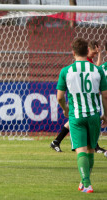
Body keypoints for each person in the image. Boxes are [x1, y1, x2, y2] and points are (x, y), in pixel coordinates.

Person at [56, 38, 107, 193]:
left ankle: (87, 183)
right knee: (91, 149)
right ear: (87, 52)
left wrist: (65, 109)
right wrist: (105, 115)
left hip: (76, 116)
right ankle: (83, 181)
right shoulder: (97, 70)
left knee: (81, 150)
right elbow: (105, 95)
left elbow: (59, 97)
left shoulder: (66, 71)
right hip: (93, 116)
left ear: (73, 52)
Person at [51, 40, 106, 153]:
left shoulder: (86, 61)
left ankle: (57, 141)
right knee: (85, 118)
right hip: (83, 99)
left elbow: (97, 68)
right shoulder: (86, 62)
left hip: (81, 106)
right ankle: (93, 147)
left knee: (77, 119)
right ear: (88, 50)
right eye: (94, 52)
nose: (95, 55)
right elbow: (98, 68)